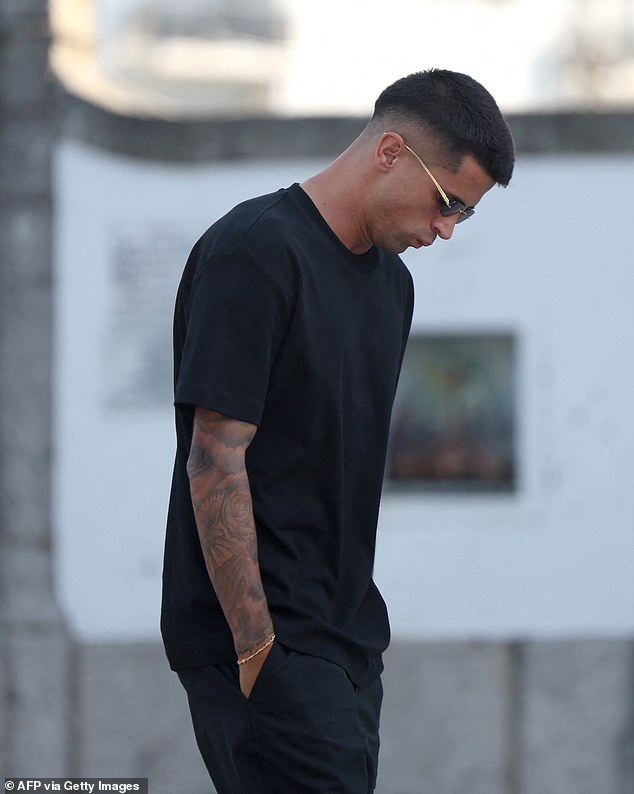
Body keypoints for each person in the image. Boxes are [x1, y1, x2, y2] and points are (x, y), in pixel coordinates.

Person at [161, 68, 515, 794]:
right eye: (447, 201)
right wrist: (258, 647)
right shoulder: (255, 252)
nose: (446, 228)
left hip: (349, 640)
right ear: (390, 152)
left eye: (465, 216)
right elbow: (214, 455)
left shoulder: (393, 285)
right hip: (264, 642)